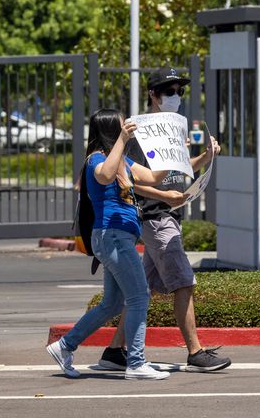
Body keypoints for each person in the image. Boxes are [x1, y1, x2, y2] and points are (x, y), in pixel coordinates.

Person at [96, 67, 229, 374]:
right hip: (156, 217)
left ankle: (114, 351)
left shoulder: (173, 128)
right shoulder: (140, 133)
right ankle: (195, 352)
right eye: (169, 92)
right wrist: (164, 196)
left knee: (141, 290)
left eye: (179, 91)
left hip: (166, 215)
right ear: (153, 95)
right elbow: (127, 177)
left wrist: (204, 158)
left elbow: (176, 170)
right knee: (183, 281)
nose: (176, 97)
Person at [46, 109, 173, 381]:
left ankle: (65, 345)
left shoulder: (122, 160)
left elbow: (153, 178)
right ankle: (137, 362)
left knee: (113, 303)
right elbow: (104, 176)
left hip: (119, 236)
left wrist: (177, 156)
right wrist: (123, 140)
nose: (126, 124)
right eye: (121, 123)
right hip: (111, 236)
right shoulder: (96, 159)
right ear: (109, 130)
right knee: (140, 296)